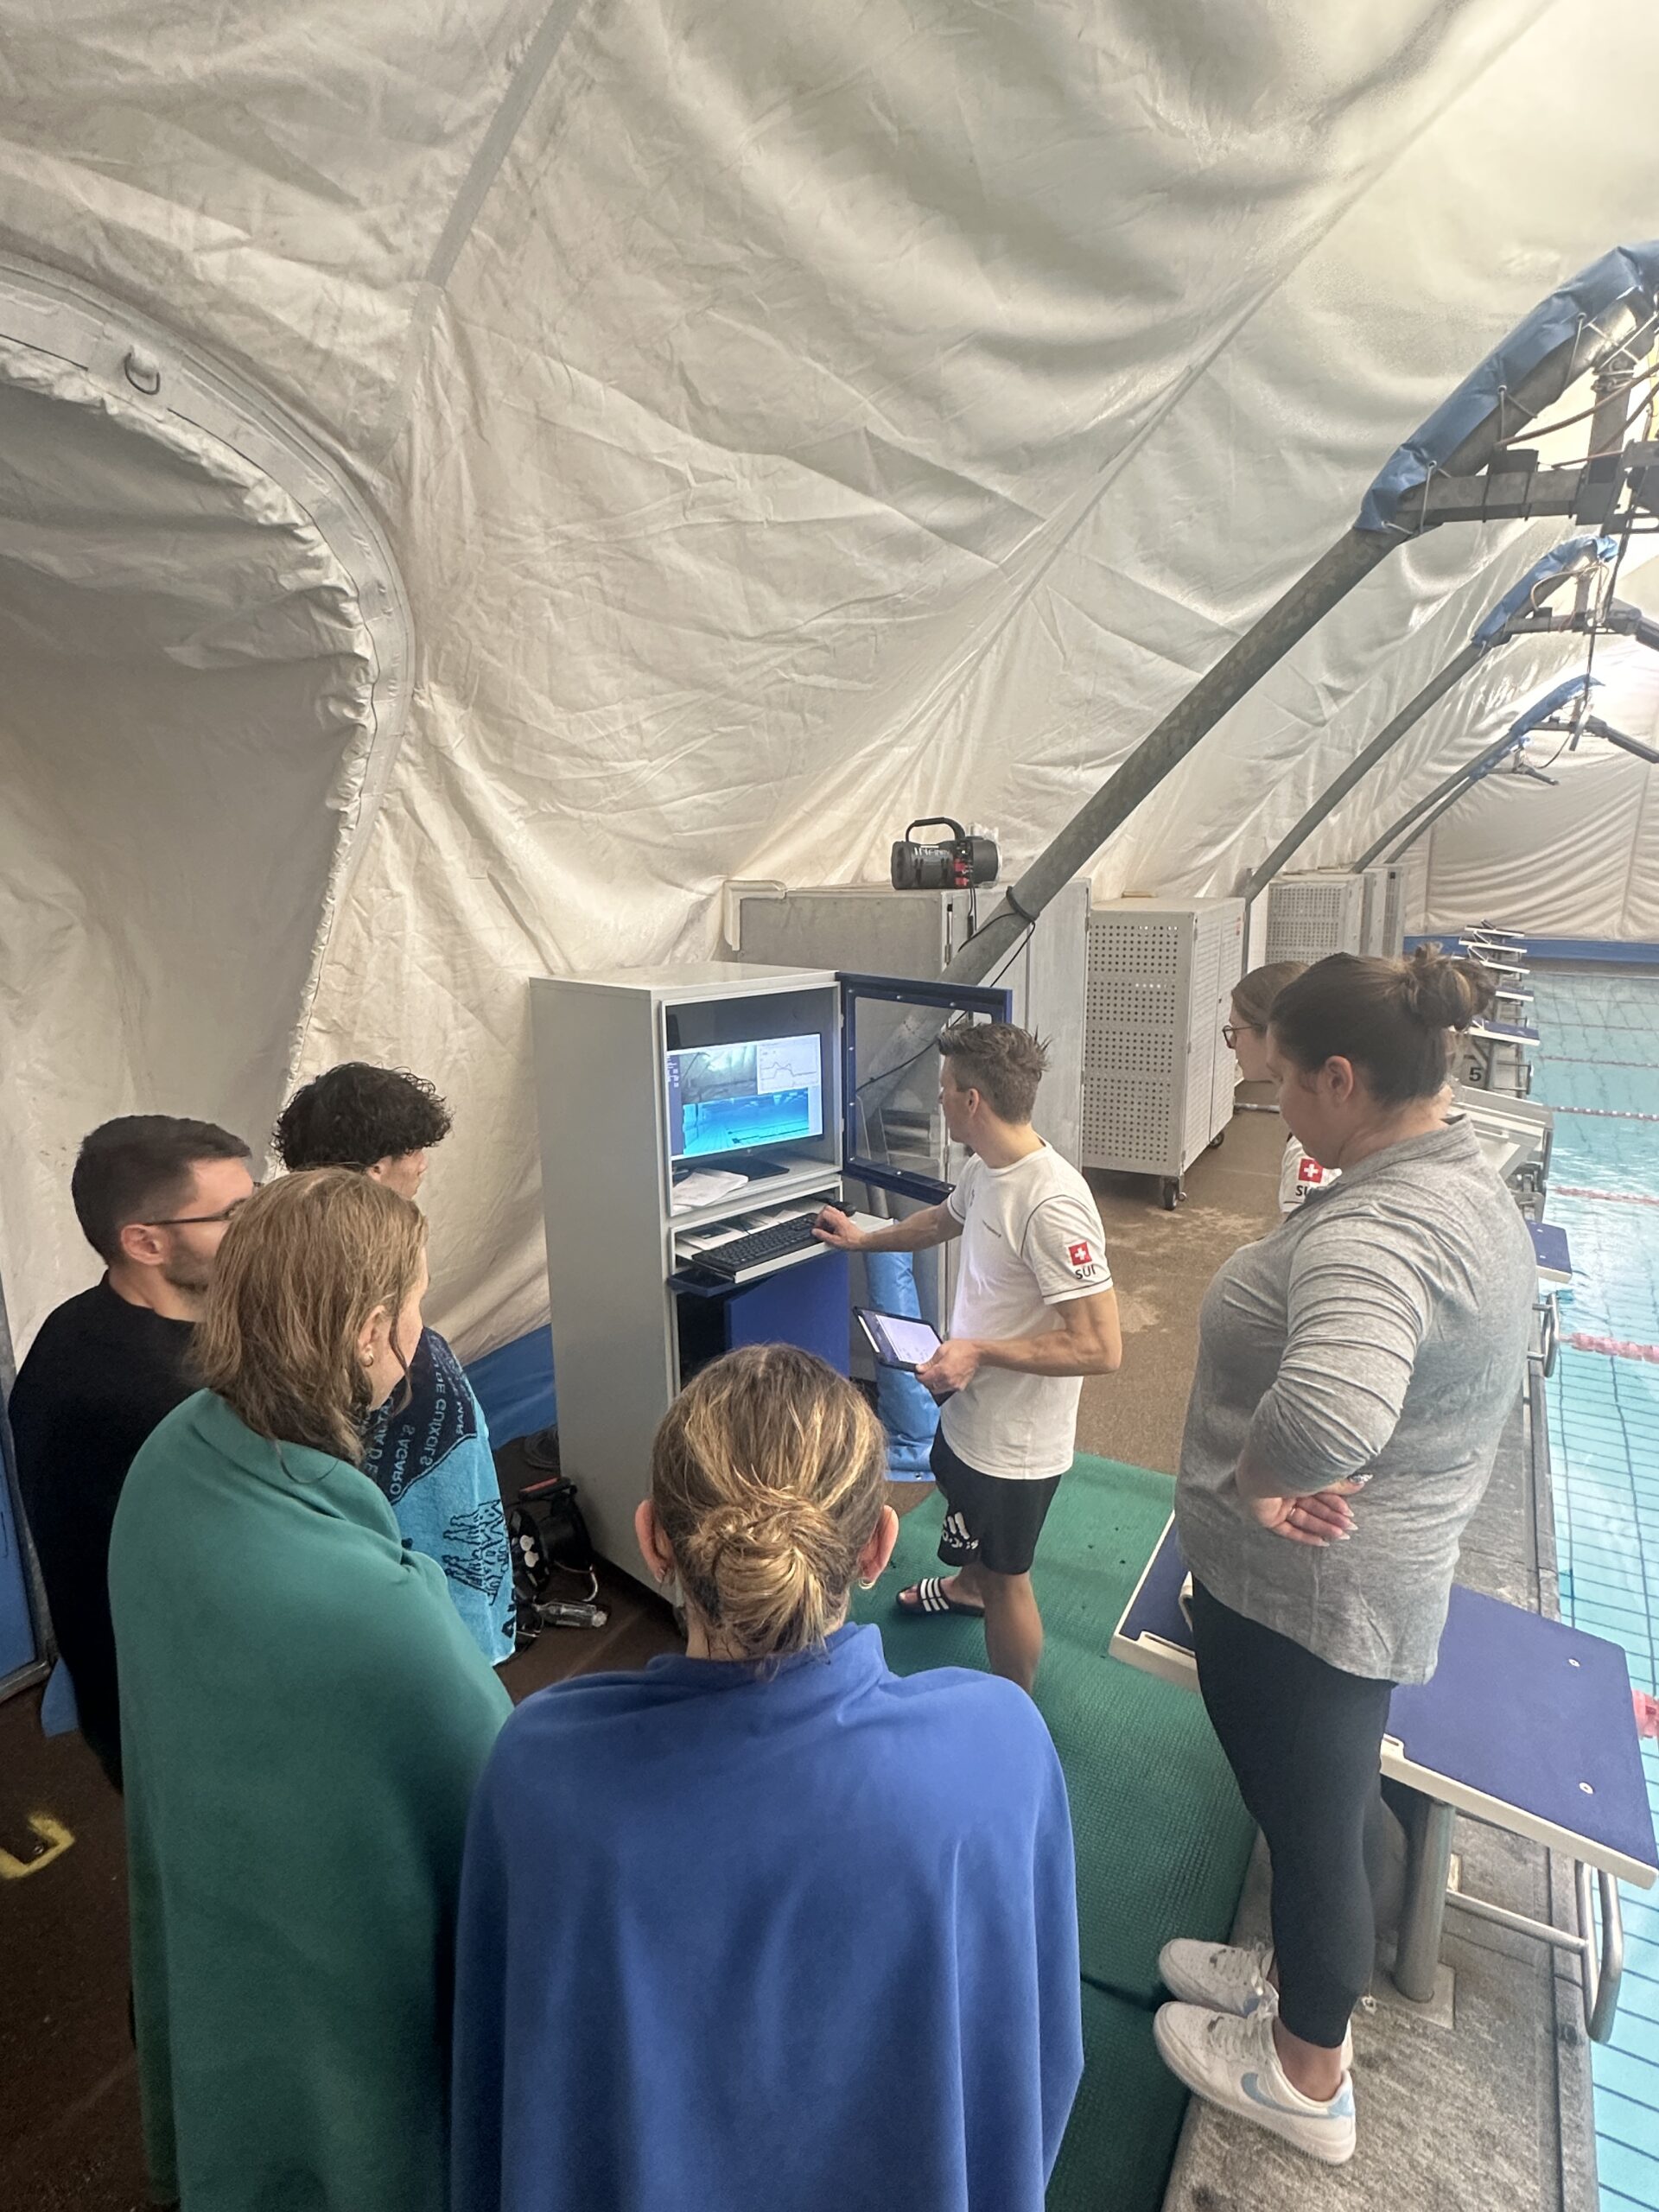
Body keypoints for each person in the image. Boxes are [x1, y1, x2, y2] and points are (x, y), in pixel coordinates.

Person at [450, 1344, 1083, 2212]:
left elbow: (501, 2090)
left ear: (654, 1540)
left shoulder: (539, 1772)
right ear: (877, 1548)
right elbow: (1039, 2071)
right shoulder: (1002, 1754)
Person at [1154, 949, 1535, 2165]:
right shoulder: (1455, 1172)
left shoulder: (1379, 1227)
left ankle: (1306, 2071)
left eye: (1283, 1082)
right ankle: (1290, 1983)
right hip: (1361, 1582)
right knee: (1319, 1806)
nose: (1274, 1104)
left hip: (1306, 1600)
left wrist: (1261, 1482)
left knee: (1316, 1827)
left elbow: (1331, 1408)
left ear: (1339, 1077)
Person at [109, 1170, 512, 2212]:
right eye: (415, 1309)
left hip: (224, 1951)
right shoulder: (384, 1612)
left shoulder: (166, 1464)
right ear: (370, 1331)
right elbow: (509, 1819)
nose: (420, 1336)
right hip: (347, 2011)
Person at [815, 1022, 1120, 1692]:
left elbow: (1100, 1346)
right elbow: (938, 1222)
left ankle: (1015, 1708)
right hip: (970, 1409)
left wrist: (977, 1351)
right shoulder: (985, 1169)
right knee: (961, 1500)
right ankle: (967, 1587)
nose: (939, 1099)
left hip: (1016, 1441)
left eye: (945, 1089)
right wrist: (863, 1240)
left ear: (972, 1100)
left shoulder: (1052, 1203)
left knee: (1011, 1576)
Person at [8, 1116, 254, 1786]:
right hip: (192, 1721)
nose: (260, 1230)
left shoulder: (84, 1322)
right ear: (145, 1242)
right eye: (234, 1215)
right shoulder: (144, 1397)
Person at [273, 1062, 513, 1662]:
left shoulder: (274, 1236)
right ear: (376, 1167)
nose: (423, 1163)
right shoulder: (369, 1251)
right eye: (412, 1149)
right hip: (412, 1453)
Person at [1223, 960, 1339, 1213]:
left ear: (1272, 1034)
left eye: (1236, 1031)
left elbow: (1301, 1232)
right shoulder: (1334, 1114)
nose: (1230, 1043)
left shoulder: (1312, 1145)